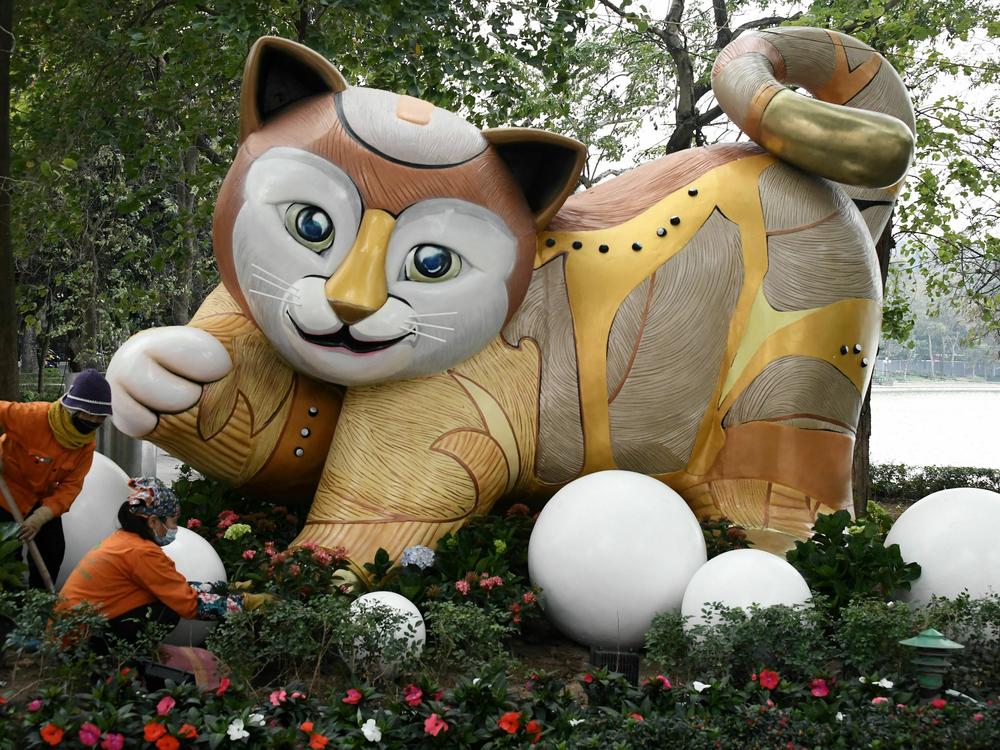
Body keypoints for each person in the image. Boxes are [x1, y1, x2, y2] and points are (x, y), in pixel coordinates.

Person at [59, 477, 270, 648]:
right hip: (78, 641)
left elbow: (171, 587)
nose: (175, 528)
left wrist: (222, 589)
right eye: (172, 521)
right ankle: (119, 658)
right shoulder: (141, 552)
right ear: (153, 521)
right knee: (166, 612)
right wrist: (247, 604)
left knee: (164, 601)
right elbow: (188, 603)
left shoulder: (124, 540)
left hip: (70, 629)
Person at [0, 368, 112, 588]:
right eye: (88, 413)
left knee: (52, 550)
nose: (93, 420)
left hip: (41, 500)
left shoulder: (85, 446)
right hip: (5, 493)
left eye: (100, 416)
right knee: (7, 558)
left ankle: (40, 605)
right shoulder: (32, 417)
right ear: (72, 408)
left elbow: (71, 487)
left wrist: (41, 517)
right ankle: (11, 611)